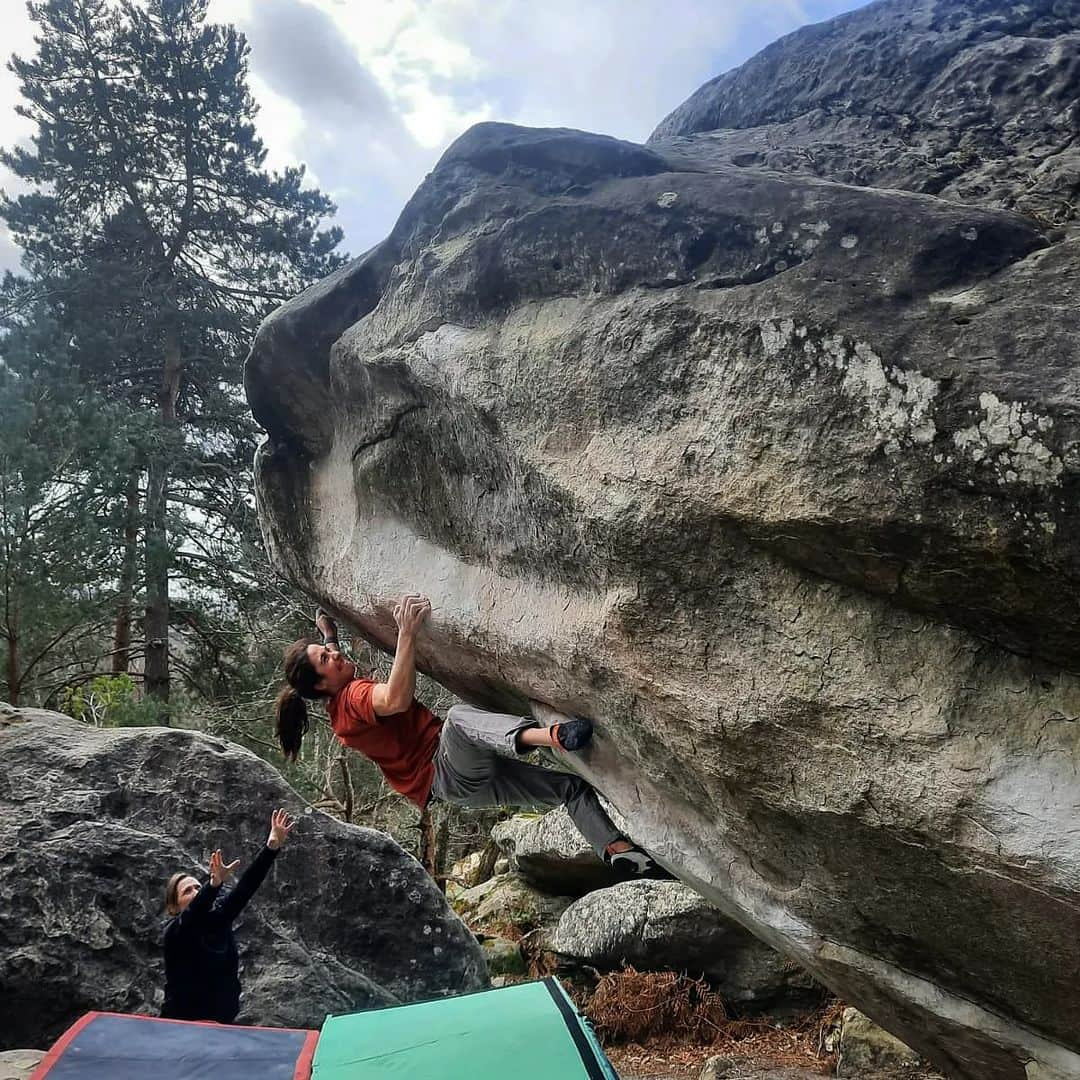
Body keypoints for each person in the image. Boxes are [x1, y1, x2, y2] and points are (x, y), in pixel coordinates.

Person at [273, 594, 668, 879]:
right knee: (459, 719)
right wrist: (406, 632)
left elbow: (331, 660)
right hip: (445, 769)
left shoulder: (334, 698)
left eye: (326, 651)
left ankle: (615, 849)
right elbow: (394, 699)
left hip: (459, 787)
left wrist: (328, 634)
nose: (335, 656)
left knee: (571, 789)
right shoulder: (351, 700)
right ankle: (552, 736)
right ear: (322, 686)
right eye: (326, 660)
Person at [162, 807, 296, 1023]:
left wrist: (271, 848)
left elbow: (246, 887)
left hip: (222, 1024)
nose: (196, 892)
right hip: (181, 1025)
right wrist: (213, 885)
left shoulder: (220, 917)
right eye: (187, 891)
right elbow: (194, 914)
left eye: (198, 887)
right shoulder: (174, 932)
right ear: (174, 907)